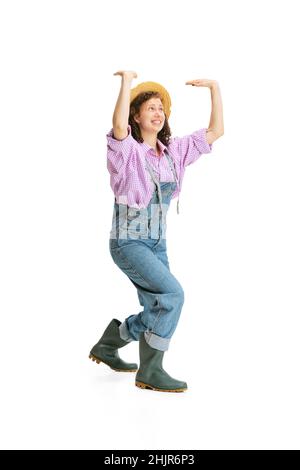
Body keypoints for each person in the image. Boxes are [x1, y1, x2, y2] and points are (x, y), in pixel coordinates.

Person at [89, 70, 224, 393]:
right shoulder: (127, 152)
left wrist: (215, 88)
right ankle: (151, 371)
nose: (158, 113)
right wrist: (126, 83)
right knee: (173, 296)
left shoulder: (174, 152)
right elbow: (119, 127)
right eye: (150, 107)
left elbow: (216, 131)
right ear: (136, 116)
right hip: (128, 241)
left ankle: (108, 345)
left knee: (157, 305)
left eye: (161, 108)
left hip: (157, 242)